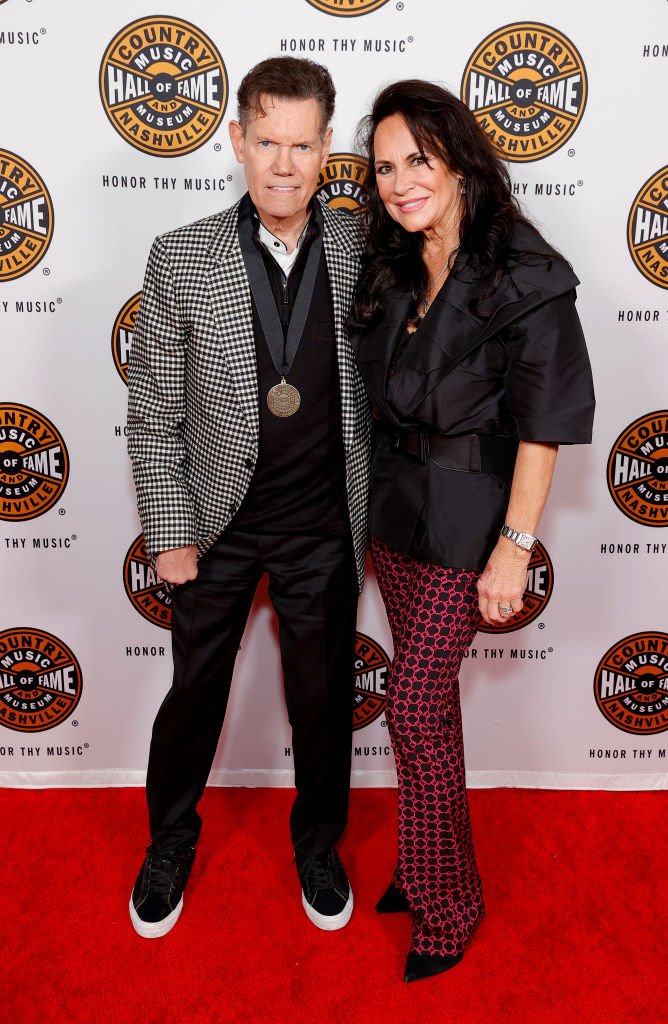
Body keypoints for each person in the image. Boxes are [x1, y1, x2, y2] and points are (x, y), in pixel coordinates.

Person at [349, 81, 595, 982]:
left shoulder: (526, 274)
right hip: (392, 517)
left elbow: (544, 423)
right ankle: (420, 867)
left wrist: (514, 547)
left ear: (457, 157)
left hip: (470, 524)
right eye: (383, 167)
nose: (401, 181)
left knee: (411, 710)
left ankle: (449, 905)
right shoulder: (395, 264)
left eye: (418, 158)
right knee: (431, 716)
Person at [126, 56, 371, 939]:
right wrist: (170, 528)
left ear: (325, 148)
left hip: (321, 530)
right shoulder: (181, 254)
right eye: (265, 140)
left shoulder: (360, 247)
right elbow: (152, 407)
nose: (282, 162)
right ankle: (170, 838)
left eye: (301, 144)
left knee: (321, 698)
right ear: (236, 140)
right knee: (194, 693)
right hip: (215, 527)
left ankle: (318, 842)